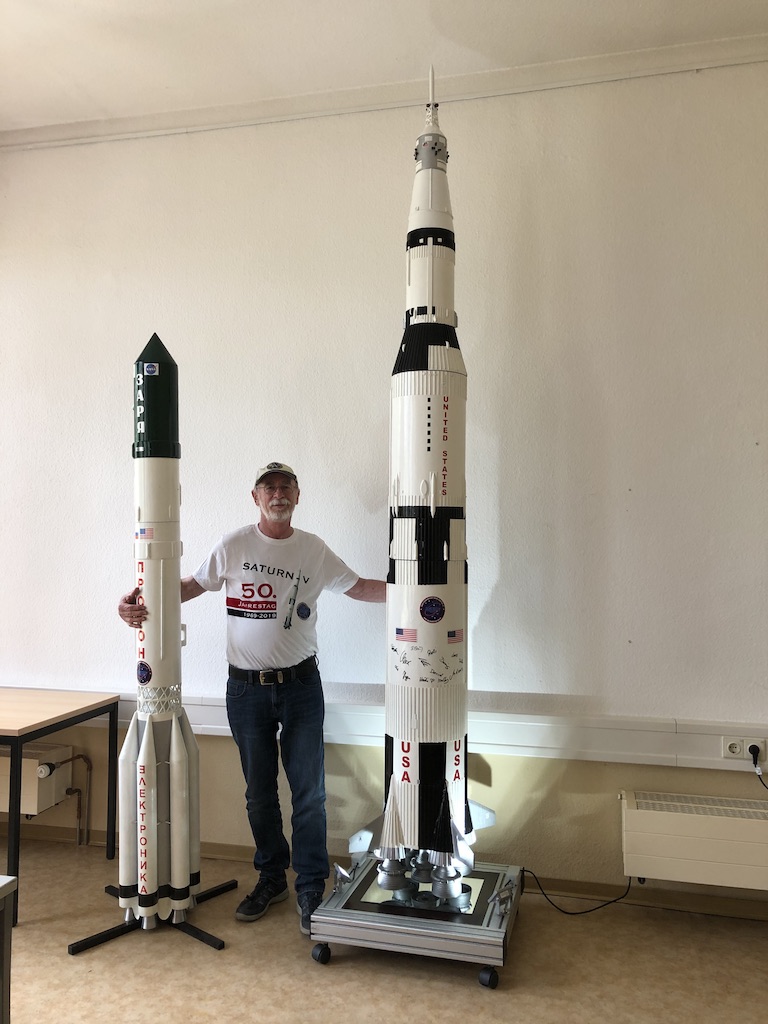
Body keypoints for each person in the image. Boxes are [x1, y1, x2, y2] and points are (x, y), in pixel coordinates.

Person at [119, 461, 385, 935]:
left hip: (301, 688)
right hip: (245, 691)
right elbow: (189, 586)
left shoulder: (313, 549)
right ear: (256, 497)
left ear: (297, 497)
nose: (277, 493)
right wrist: (139, 600)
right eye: (269, 487)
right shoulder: (234, 544)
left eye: (286, 487)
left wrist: (418, 591)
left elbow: (360, 587)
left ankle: (310, 887)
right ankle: (271, 879)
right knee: (260, 795)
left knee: (309, 794)